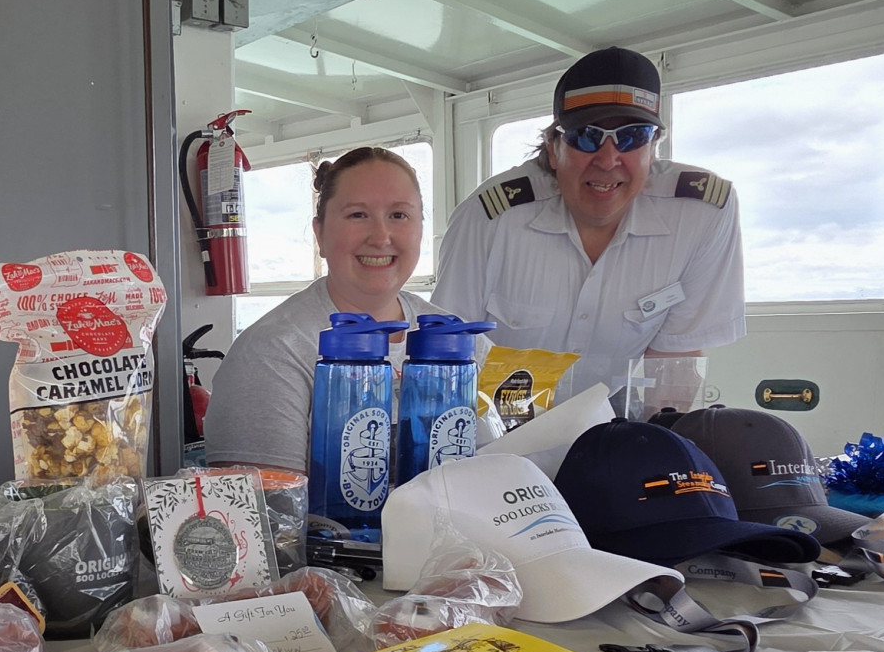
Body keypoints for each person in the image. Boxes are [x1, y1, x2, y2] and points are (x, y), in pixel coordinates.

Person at [432, 47, 745, 403]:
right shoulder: (490, 217)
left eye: (633, 136)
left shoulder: (701, 214)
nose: (608, 160)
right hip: (494, 416)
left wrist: (657, 436)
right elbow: (446, 353)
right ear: (553, 148)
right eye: (586, 136)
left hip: (607, 415)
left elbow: (674, 363)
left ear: (653, 147)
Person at [204, 146, 463, 476]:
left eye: (399, 215)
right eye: (357, 215)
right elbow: (271, 506)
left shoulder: (456, 339)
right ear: (320, 235)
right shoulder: (270, 353)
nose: (381, 237)